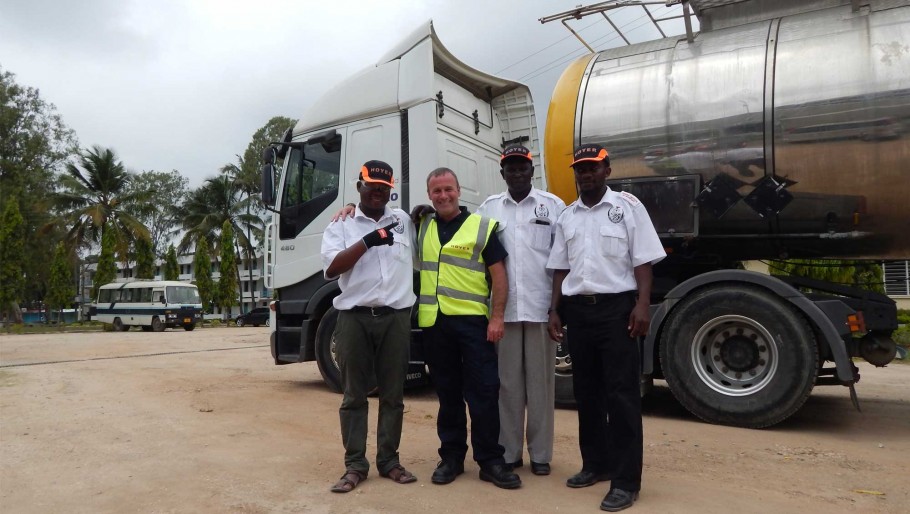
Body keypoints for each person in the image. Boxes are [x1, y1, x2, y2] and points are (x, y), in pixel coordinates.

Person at [546, 144, 666, 512]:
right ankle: (595, 465)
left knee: (622, 396)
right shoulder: (567, 216)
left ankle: (626, 482)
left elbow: (643, 259)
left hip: (617, 312)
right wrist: (555, 310)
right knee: (588, 394)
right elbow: (561, 268)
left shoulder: (627, 208)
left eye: (592, 168)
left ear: (607, 170)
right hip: (579, 313)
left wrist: (643, 305)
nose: (586, 174)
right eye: (580, 169)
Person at [417, 167, 521, 490]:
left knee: (484, 393)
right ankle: (451, 457)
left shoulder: (481, 227)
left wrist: (497, 317)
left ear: (459, 191)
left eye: (448, 189)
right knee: (448, 394)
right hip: (435, 323)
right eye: (437, 191)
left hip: (473, 324)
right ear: (429, 196)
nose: (443, 196)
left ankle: (490, 460)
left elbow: (499, 276)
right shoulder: (421, 225)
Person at [321, 160, 417, 493]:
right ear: (358, 186)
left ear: (391, 189)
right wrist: (366, 242)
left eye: (383, 187)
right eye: (370, 186)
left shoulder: (404, 221)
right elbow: (332, 269)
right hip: (354, 318)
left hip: (395, 319)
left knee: (393, 394)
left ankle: (389, 461)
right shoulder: (342, 223)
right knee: (353, 396)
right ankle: (355, 465)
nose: (377, 191)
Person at [476, 145, 565, 476]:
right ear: (502, 173)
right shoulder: (488, 209)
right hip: (505, 313)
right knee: (508, 387)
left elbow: (561, 262)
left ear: (532, 171)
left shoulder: (553, 206)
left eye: (522, 167)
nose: (516, 173)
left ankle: (540, 454)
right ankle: (509, 452)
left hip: (542, 310)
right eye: (510, 168)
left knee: (541, 386)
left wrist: (557, 308)